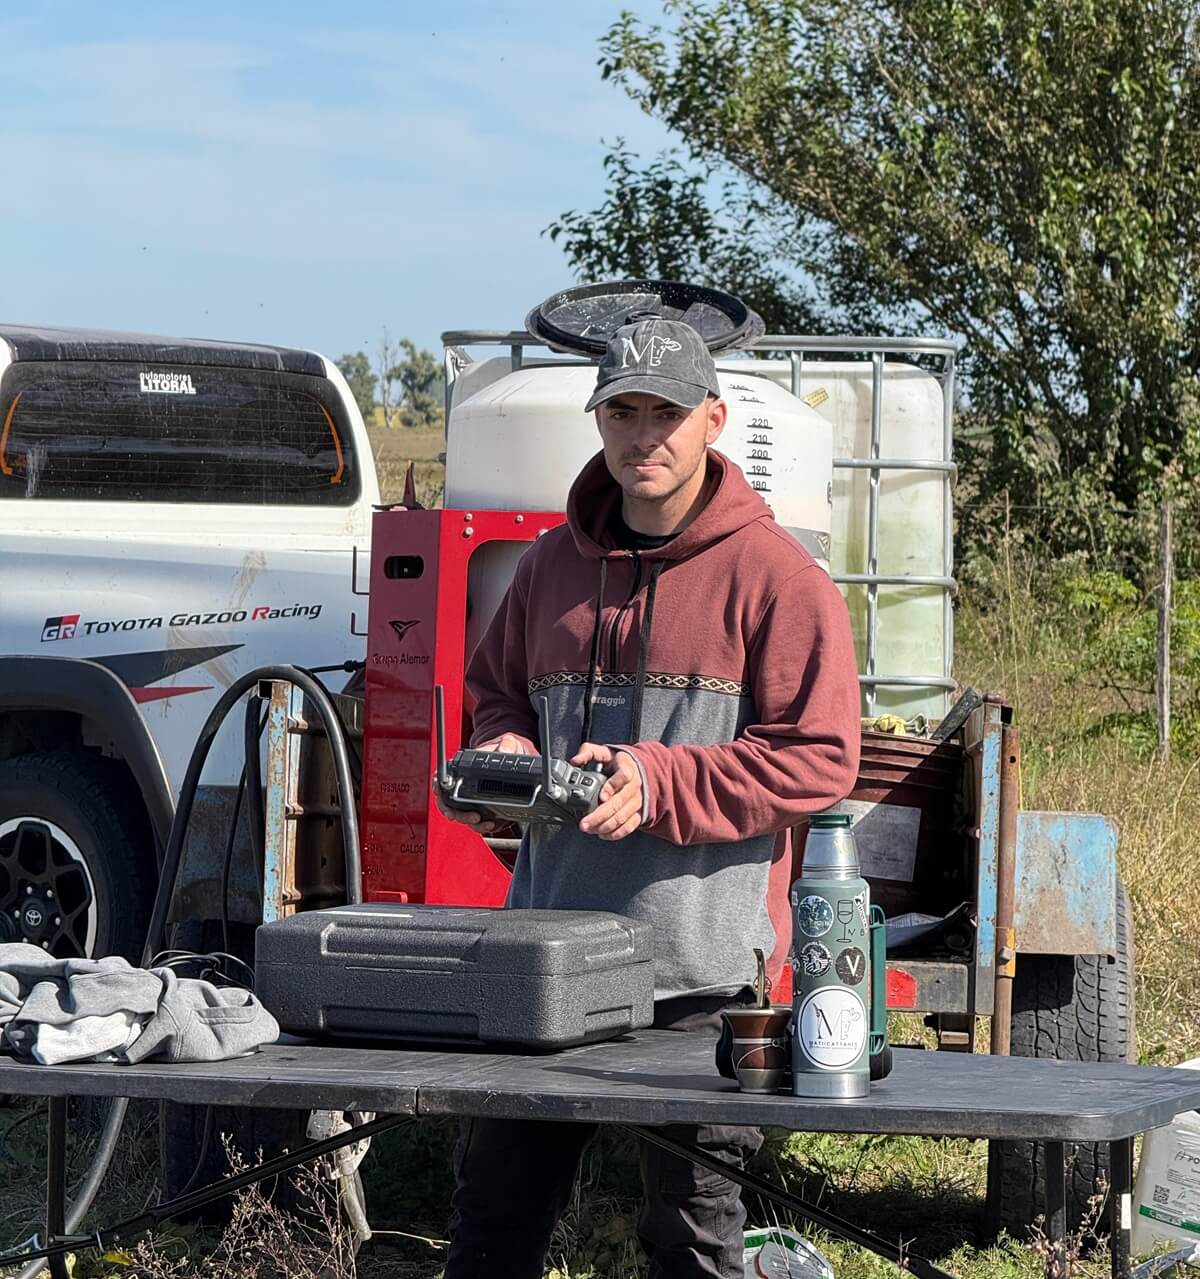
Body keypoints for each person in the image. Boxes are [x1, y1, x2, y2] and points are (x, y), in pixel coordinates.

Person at [439, 316, 862, 1279]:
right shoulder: (548, 569)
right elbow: (494, 696)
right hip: (544, 960)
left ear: (713, 418)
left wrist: (661, 778)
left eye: (665, 412)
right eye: (622, 411)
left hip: (702, 976)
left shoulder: (781, 581)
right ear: (598, 424)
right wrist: (502, 746)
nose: (644, 435)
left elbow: (821, 759)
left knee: (696, 1241)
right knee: (493, 1223)